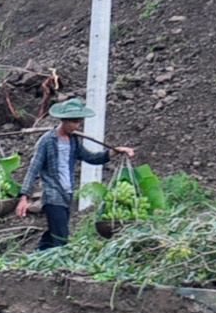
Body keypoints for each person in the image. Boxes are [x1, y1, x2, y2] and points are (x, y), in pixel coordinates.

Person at [14, 98, 135, 250]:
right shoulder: (47, 141)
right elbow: (33, 168)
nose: (77, 125)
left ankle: (37, 257)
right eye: (73, 121)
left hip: (67, 195)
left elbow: (91, 157)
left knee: (53, 235)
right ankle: (57, 260)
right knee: (61, 237)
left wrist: (114, 152)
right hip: (53, 195)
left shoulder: (74, 141)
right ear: (63, 120)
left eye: (79, 121)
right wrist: (24, 197)